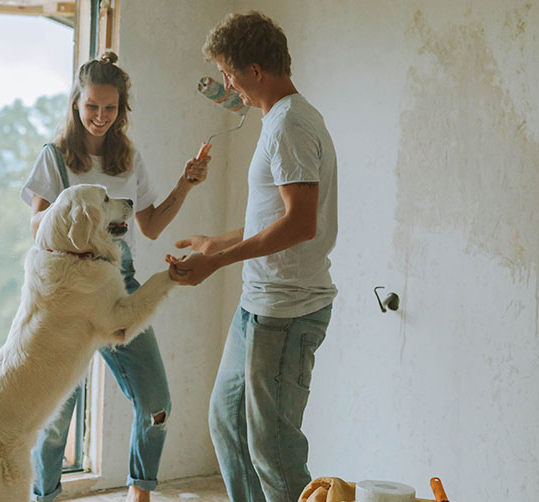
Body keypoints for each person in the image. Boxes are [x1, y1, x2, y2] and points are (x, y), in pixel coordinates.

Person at [20, 51, 210, 502]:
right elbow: (36, 228)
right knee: (54, 418)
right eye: (92, 107)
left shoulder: (128, 159)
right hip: (67, 291)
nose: (100, 117)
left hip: (119, 285)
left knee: (156, 403)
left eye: (110, 108)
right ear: (76, 104)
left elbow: (151, 226)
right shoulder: (56, 157)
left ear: (121, 108)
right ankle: (44, 496)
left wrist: (186, 183)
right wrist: (83, 220)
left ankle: (139, 493)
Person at [167, 12, 338, 502]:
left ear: (256, 71)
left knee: (275, 453)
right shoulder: (279, 121)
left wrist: (217, 265)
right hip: (258, 307)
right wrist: (215, 245)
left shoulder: (290, 125)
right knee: (228, 424)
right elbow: (277, 218)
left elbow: (302, 223)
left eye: (229, 73)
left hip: (286, 312)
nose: (227, 85)